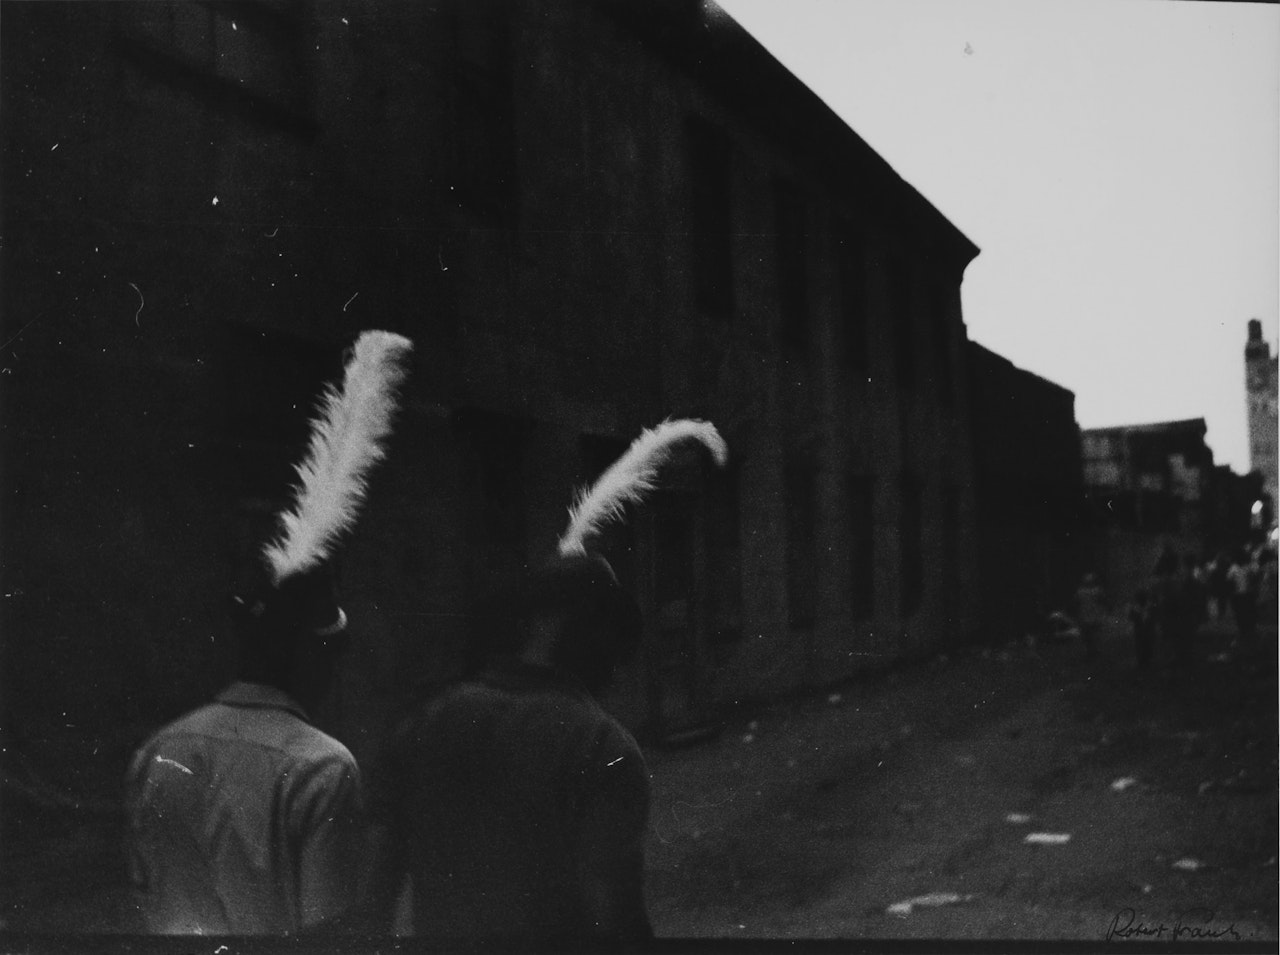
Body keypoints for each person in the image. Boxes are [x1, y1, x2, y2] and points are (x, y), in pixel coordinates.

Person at [363, 418, 727, 942]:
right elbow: (612, 914)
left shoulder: (422, 723)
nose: (618, 663)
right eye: (614, 640)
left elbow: (374, 895)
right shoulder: (602, 745)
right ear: (592, 638)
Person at [126, 330, 412, 934]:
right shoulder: (322, 769)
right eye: (334, 650)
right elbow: (328, 932)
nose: (339, 667)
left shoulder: (159, 751)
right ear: (312, 652)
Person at [1075, 572, 1107, 659]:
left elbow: (1077, 602)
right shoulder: (1097, 590)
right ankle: (1094, 651)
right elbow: (1103, 599)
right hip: (1094, 613)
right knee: (1095, 633)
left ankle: (1090, 651)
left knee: (1088, 635)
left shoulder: (1080, 591)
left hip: (1086, 614)